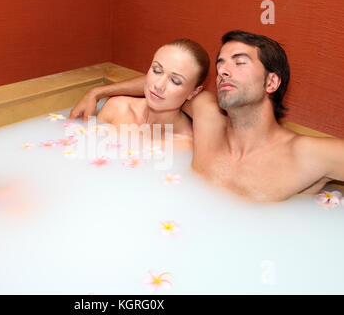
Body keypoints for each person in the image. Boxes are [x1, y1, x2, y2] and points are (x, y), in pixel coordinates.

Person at [70, 30, 344, 202]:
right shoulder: (208, 119)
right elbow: (164, 82)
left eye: (239, 63)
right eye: (221, 63)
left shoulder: (305, 153)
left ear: (271, 83)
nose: (224, 70)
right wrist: (97, 91)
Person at [95, 39, 209, 144]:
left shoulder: (186, 143)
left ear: (193, 92)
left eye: (175, 81)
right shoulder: (116, 108)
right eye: (156, 70)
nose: (159, 85)